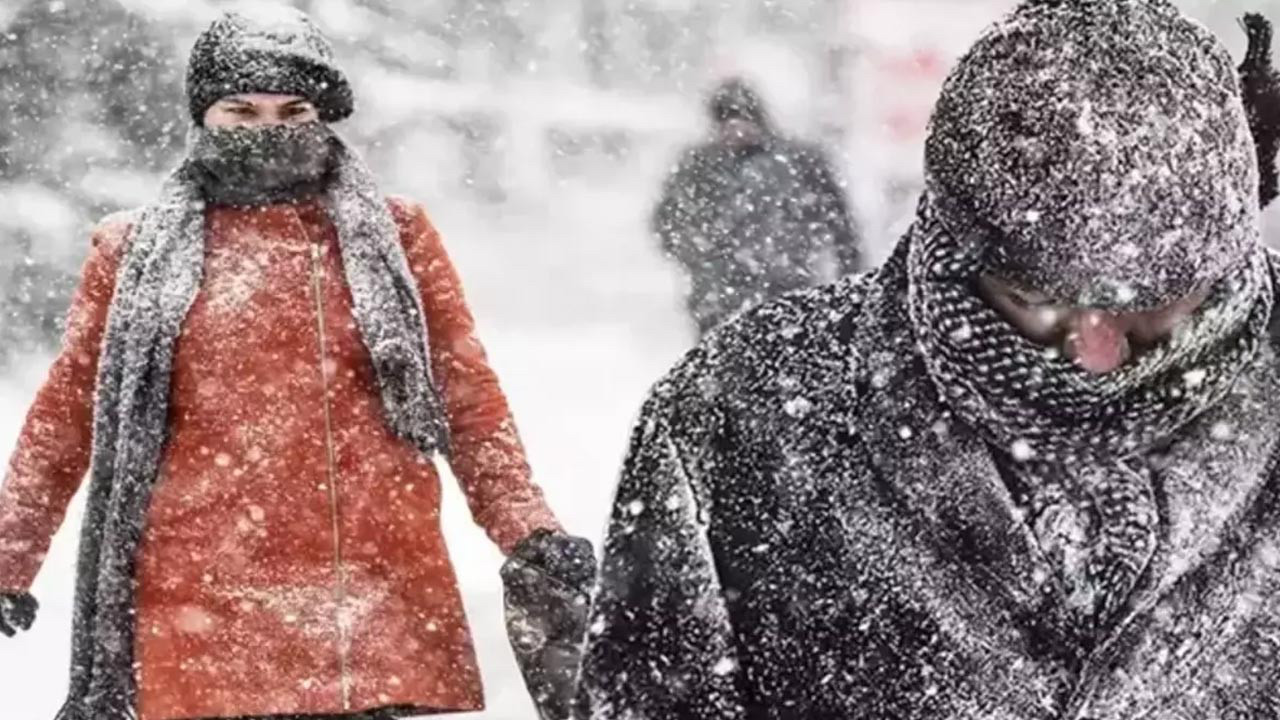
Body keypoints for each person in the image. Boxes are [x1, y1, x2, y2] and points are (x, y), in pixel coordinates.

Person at [577, 2, 1280, 718]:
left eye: (1152, 306)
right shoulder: (738, 413)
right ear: (953, 246)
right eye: (1035, 299)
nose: (1095, 358)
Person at [0, 7, 592, 720]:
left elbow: (468, 402)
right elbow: (65, 420)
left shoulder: (396, 238)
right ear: (203, 114)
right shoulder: (132, 254)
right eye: (241, 111)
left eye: (293, 111)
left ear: (323, 114)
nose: (268, 129)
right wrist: (8, 558)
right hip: (203, 608)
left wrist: (529, 529)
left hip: (367, 606)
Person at [653, 78, 861, 337]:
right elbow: (667, 222)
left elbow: (841, 226)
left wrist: (849, 285)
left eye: (742, 118)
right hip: (719, 302)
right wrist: (701, 256)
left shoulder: (800, 162)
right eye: (726, 120)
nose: (736, 129)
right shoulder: (697, 166)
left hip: (787, 298)